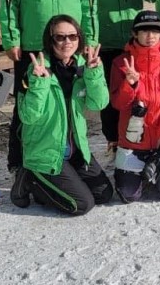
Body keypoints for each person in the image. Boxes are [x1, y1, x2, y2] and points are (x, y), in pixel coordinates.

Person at [1, 0, 93, 172]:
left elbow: (89, 5)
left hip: (69, 47)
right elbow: (9, 3)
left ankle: (68, 154)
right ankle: (19, 163)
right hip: (34, 48)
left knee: (66, 104)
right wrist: (11, 39)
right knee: (27, 108)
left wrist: (90, 40)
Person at [11, 16, 114, 215]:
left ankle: (59, 180)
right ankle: (30, 177)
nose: (67, 42)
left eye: (72, 36)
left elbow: (98, 103)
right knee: (82, 204)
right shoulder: (36, 70)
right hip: (47, 151)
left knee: (103, 194)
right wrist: (39, 85)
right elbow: (28, 117)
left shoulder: (83, 67)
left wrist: (95, 75)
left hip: (75, 149)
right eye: (60, 37)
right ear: (51, 41)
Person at [109, 10, 160, 202]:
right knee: (128, 196)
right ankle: (136, 172)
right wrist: (130, 84)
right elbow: (117, 104)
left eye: (155, 31)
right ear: (135, 34)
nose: (150, 36)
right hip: (133, 140)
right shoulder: (121, 63)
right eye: (144, 31)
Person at [88, 0, 145, 158]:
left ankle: (135, 136)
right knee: (109, 96)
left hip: (132, 43)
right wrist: (89, 39)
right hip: (106, 42)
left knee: (134, 91)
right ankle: (112, 139)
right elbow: (86, 5)